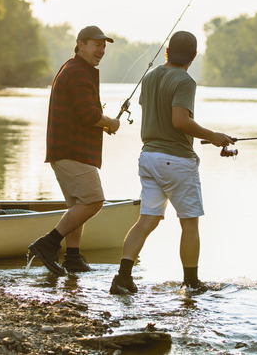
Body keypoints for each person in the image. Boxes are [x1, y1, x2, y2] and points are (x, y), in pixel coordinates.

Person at [109, 31, 233, 294]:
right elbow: (179, 121)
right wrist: (213, 136)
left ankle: (122, 277)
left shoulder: (150, 76)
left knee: (146, 221)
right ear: (194, 55)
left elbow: (158, 115)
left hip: (149, 157)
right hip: (175, 161)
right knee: (189, 223)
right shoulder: (185, 81)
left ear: (167, 50)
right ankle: (191, 283)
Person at [28, 25, 121, 276]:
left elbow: (82, 115)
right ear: (80, 44)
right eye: (96, 44)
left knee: (78, 206)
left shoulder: (77, 69)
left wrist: (101, 123)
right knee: (93, 201)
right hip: (72, 152)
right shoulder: (78, 73)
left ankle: (71, 258)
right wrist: (109, 122)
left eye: (104, 46)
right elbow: (89, 114)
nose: (101, 49)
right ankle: (47, 244)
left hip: (67, 150)